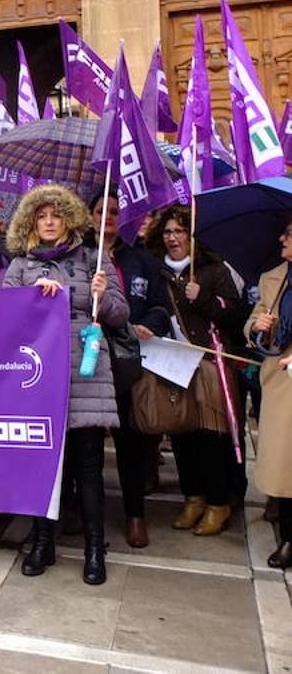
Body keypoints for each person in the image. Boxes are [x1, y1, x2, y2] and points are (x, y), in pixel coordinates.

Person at [4, 184, 127, 586]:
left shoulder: (94, 259)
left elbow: (120, 315)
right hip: (37, 375)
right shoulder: (21, 266)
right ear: (31, 223)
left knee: (88, 467)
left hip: (84, 373)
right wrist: (33, 300)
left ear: (69, 218)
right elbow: (2, 319)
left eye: (56, 215)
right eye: (42, 216)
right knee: (45, 466)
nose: (50, 222)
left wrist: (103, 296)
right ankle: (43, 543)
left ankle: (95, 549)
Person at [145, 205, 246, 537]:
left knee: (210, 438)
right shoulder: (158, 270)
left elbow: (236, 315)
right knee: (181, 435)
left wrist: (203, 298)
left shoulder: (214, 270)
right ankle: (193, 498)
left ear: (192, 236)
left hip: (210, 364)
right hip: (173, 363)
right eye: (168, 232)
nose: (173, 238)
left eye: (180, 232)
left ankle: (219, 504)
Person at [90, 194, 171, 550]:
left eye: (114, 212)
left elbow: (161, 307)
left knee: (131, 442)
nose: (106, 217)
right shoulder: (77, 255)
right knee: (87, 440)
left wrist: (149, 324)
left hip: (128, 361)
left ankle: (135, 514)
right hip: (87, 360)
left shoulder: (142, 260)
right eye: (99, 211)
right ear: (89, 217)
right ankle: (79, 508)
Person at [248, 220, 292, 567]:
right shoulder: (273, 278)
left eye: (289, 234)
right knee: (284, 466)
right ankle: (290, 538)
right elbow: (253, 323)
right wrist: (259, 326)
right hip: (281, 383)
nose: (282, 238)